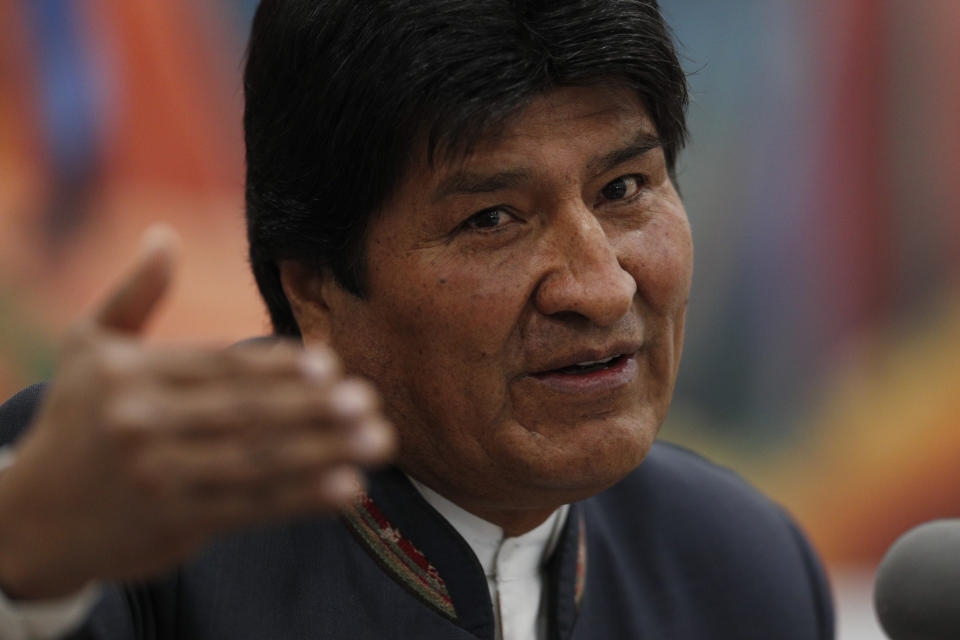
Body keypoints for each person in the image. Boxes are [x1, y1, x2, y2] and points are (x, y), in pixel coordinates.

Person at [0, 0, 835, 638]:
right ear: (316, 289)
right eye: (493, 219)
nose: (602, 288)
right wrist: (23, 562)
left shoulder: (741, 569)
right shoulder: (120, 524)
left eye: (624, 189)